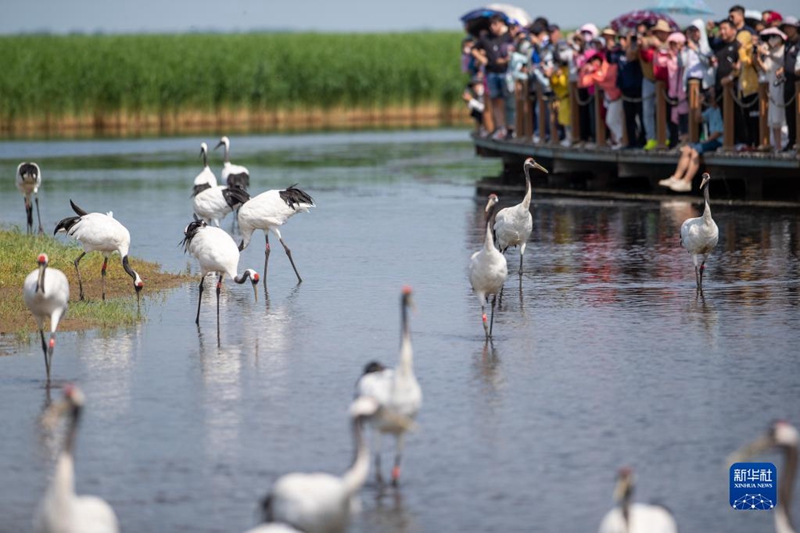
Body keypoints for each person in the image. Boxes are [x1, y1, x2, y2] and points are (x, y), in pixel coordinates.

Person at [659, 89, 723, 192]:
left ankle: (687, 181)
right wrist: (699, 104)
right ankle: (675, 178)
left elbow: (719, 131)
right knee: (687, 148)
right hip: (709, 140)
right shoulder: (711, 110)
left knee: (694, 151)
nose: (710, 98)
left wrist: (706, 141)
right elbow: (698, 118)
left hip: (718, 141)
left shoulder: (721, 110)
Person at [472, 14, 514, 139]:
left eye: (495, 24)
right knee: (495, 101)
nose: (492, 27)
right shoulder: (486, 38)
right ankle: (501, 128)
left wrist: (506, 60)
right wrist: (482, 59)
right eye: (491, 24)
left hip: (507, 73)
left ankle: (511, 128)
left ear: (501, 24)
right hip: (492, 72)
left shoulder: (508, 37)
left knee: (509, 101)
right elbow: (473, 49)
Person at [640, 19, 672, 150]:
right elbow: (645, 57)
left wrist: (661, 47)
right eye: (658, 32)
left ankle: (666, 137)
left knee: (664, 111)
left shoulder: (672, 43)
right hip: (649, 81)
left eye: (663, 32)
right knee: (648, 111)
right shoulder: (649, 45)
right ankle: (651, 138)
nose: (660, 34)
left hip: (665, 83)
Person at [756, 27, 788, 150]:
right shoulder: (771, 51)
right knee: (773, 116)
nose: (771, 40)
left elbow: (782, 61)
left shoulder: (784, 50)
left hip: (781, 84)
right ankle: (777, 145)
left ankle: (783, 143)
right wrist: (758, 57)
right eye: (770, 38)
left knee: (780, 115)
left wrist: (768, 53)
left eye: (774, 37)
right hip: (771, 86)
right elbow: (766, 68)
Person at [617, 30, 645, 147]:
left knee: (641, 116)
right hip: (626, 90)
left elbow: (631, 56)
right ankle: (631, 142)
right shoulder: (618, 53)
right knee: (629, 118)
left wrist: (635, 43)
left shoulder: (637, 51)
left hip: (638, 88)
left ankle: (642, 141)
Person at [780, 16, 800, 150]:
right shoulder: (787, 44)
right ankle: (791, 140)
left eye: (790, 27)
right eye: (785, 27)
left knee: (798, 112)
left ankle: (798, 140)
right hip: (788, 82)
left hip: (798, 83)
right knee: (789, 113)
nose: (787, 29)